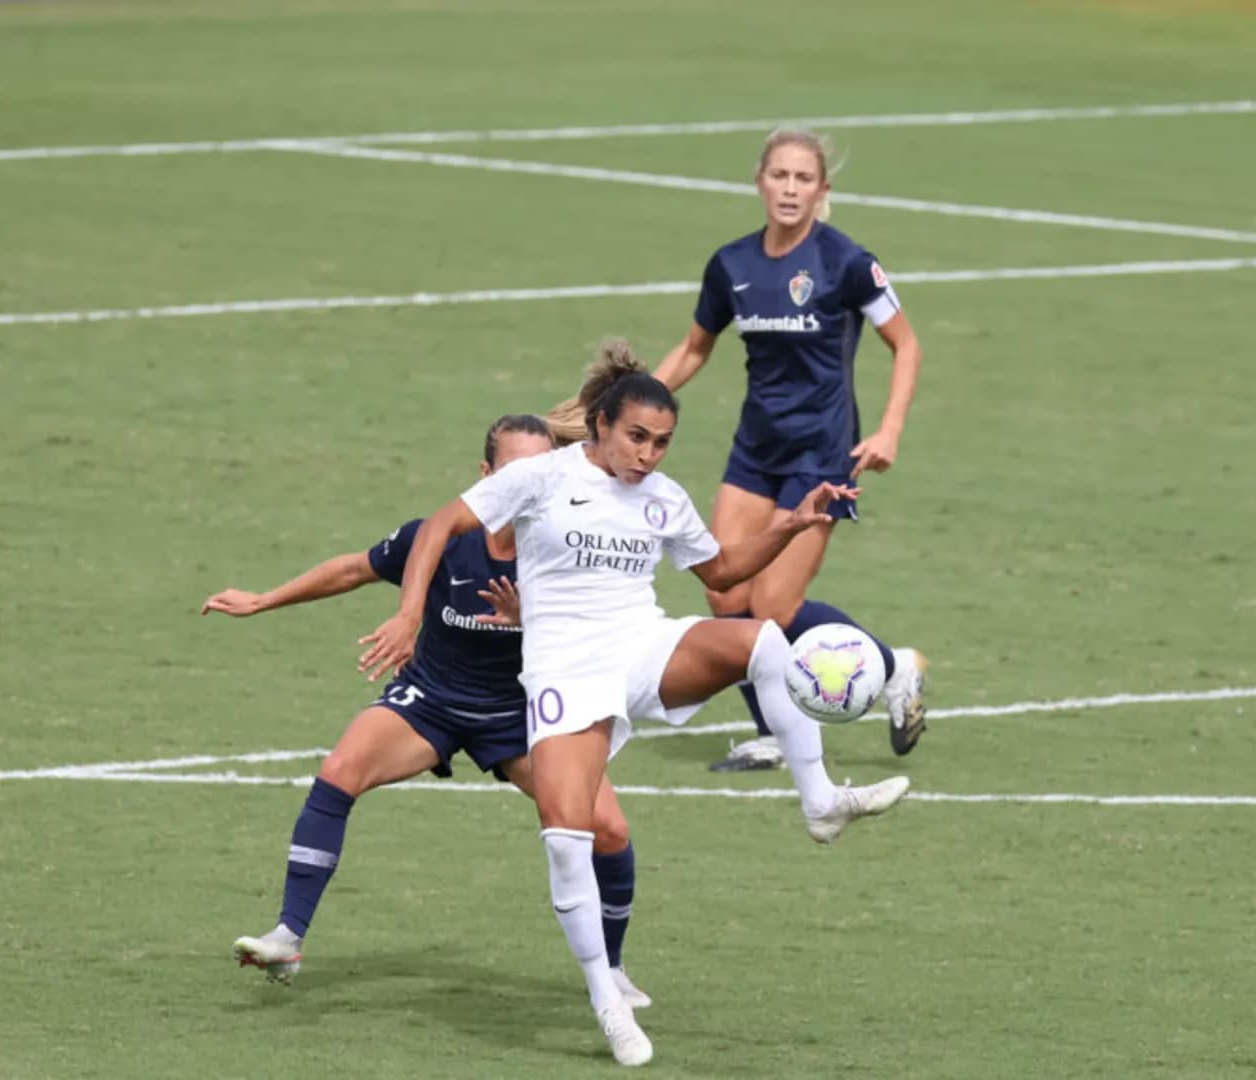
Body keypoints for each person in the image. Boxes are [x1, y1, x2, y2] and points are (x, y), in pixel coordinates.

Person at [359, 343, 911, 1067]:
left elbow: (721, 572)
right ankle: (607, 1001)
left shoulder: (663, 497)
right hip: (564, 668)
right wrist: (406, 615)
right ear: (600, 425)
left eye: (662, 442)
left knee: (765, 642)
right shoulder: (540, 477)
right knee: (567, 837)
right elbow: (436, 529)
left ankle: (819, 802)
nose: (649, 455)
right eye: (637, 438)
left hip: (641, 645)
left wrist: (793, 522)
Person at [201, 414, 650, 1008]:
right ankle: (288, 936)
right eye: (513, 473)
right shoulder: (442, 537)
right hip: (433, 700)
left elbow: (608, 642)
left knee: (609, 830)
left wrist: (531, 621)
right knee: (340, 772)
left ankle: (612, 970)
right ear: (486, 476)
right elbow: (356, 568)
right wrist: (265, 599)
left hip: (523, 717)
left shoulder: (574, 550)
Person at [649, 128, 928, 770]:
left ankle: (894, 668)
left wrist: (888, 430)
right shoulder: (732, 266)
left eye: (805, 179)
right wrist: (628, 404)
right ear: (761, 182)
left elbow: (906, 345)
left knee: (773, 607)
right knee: (724, 594)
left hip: (821, 456)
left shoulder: (847, 263)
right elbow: (695, 348)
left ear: (822, 190)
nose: (791, 189)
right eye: (781, 176)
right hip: (754, 452)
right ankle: (775, 733)